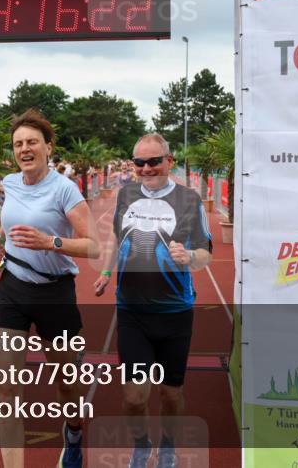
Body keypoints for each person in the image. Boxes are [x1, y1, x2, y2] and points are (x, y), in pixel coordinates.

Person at [0, 109, 101, 468]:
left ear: (48, 147)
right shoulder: (10, 183)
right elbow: (9, 226)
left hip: (54, 293)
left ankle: (74, 431)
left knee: (66, 382)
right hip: (12, 289)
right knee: (7, 389)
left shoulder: (65, 190)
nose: (24, 149)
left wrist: (51, 242)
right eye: (18, 144)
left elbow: (93, 246)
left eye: (32, 142)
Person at [94, 133, 213, 468]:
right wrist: (106, 272)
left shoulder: (189, 200)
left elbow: (206, 253)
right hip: (132, 311)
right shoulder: (126, 194)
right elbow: (116, 236)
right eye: (139, 162)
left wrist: (190, 256)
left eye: (154, 161)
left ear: (168, 161)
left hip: (175, 312)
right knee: (134, 398)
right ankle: (141, 445)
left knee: (170, 394)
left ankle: (168, 445)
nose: (146, 169)